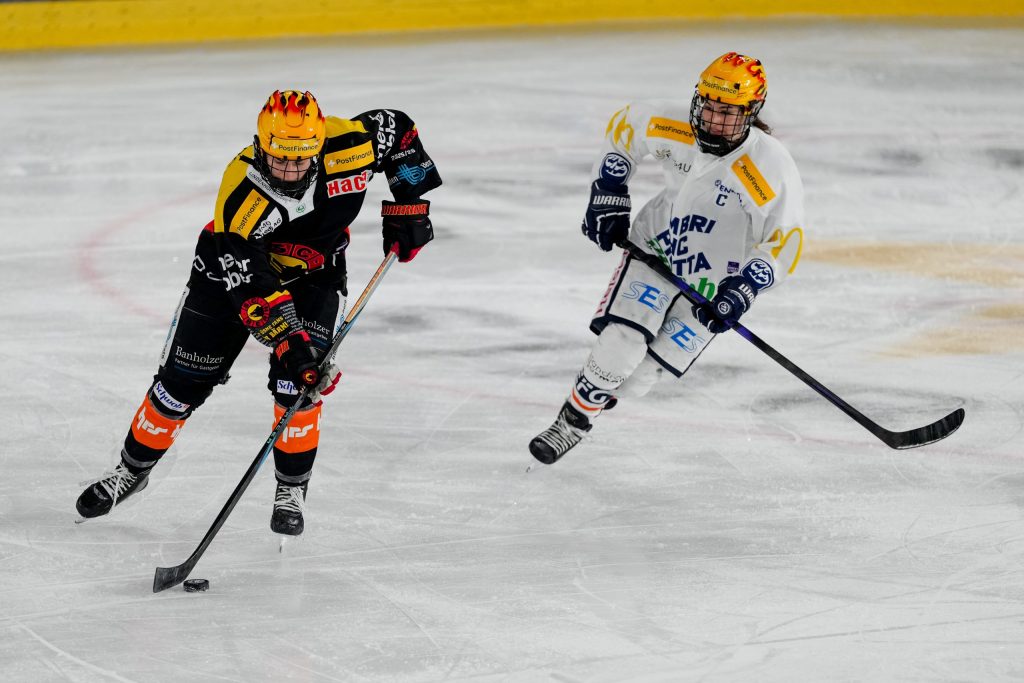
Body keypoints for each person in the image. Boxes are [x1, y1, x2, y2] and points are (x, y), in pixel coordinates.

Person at [77, 90, 442, 535]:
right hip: (228, 276)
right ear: (259, 145)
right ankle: (132, 470)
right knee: (180, 385)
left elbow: (399, 130)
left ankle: (291, 488)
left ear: (318, 147)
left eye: (300, 160)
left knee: (299, 386)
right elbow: (252, 288)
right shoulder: (242, 192)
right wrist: (290, 342)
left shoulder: (352, 144)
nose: (288, 171)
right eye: (278, 159)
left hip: (315, 274)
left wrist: (408, 205)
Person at [529, 52, 804, 464]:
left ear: (751, 113)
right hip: (656, 246)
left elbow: (784, 240)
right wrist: (608, 191)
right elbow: (624, 129)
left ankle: (598, 392)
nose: (713, 120)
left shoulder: (769, 165)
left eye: (728, 113)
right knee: (622, 342)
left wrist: (745, 288)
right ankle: (572, 422)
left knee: (638, 379)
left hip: (713, 281)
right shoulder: (670, 123)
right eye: (708, 106)